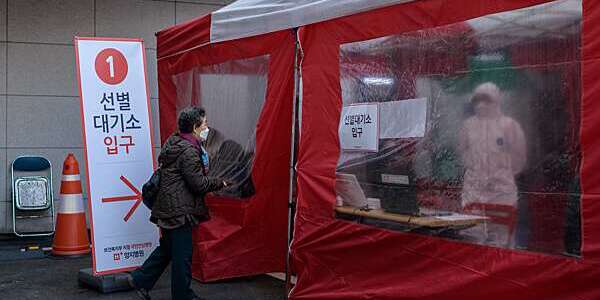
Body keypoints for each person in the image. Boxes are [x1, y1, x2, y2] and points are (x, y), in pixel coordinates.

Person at [128, 107, 229, 300]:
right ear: (194, 127)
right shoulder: (189, 151)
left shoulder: (175, 142)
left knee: (167, 249)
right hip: (179, 210)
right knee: (182, 256)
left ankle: (140, 280)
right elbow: (198, 184)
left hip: (168, 206)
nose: (207, 127)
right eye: (205, 124)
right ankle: (182, 295)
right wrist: (220, 182)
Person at [458, 82, 527, 247]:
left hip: (502, 193)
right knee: (473, 237)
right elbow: (462, 153)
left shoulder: (509, 125)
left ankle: (503, 271)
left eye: (486, 99)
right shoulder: (468, 126)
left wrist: (501, 175)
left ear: (496, 99)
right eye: (478, 99)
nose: (481, 104)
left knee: (502, 238)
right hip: (473, 192)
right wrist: (476, 173)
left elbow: (519, 157)